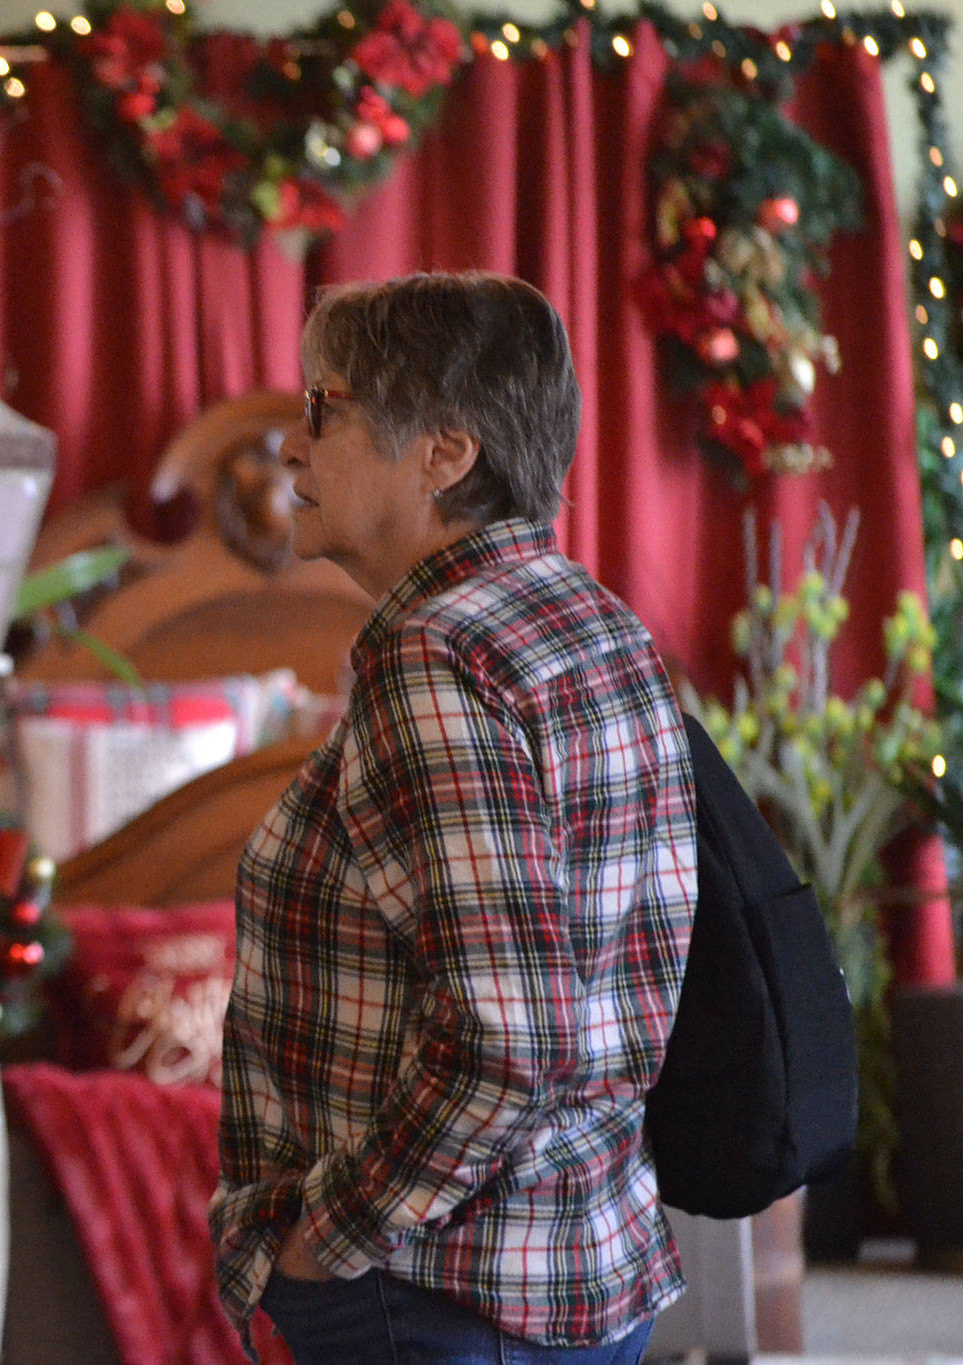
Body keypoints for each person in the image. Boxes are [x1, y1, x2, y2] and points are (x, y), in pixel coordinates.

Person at [211, 273, 697, 1364]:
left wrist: (328, 1239)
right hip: (581, 1259)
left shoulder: (436, 654)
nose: (290, 445)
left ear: (444, 454)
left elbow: (507, 1042)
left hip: (435, 1293)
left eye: (323, 407)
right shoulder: (589, 618)